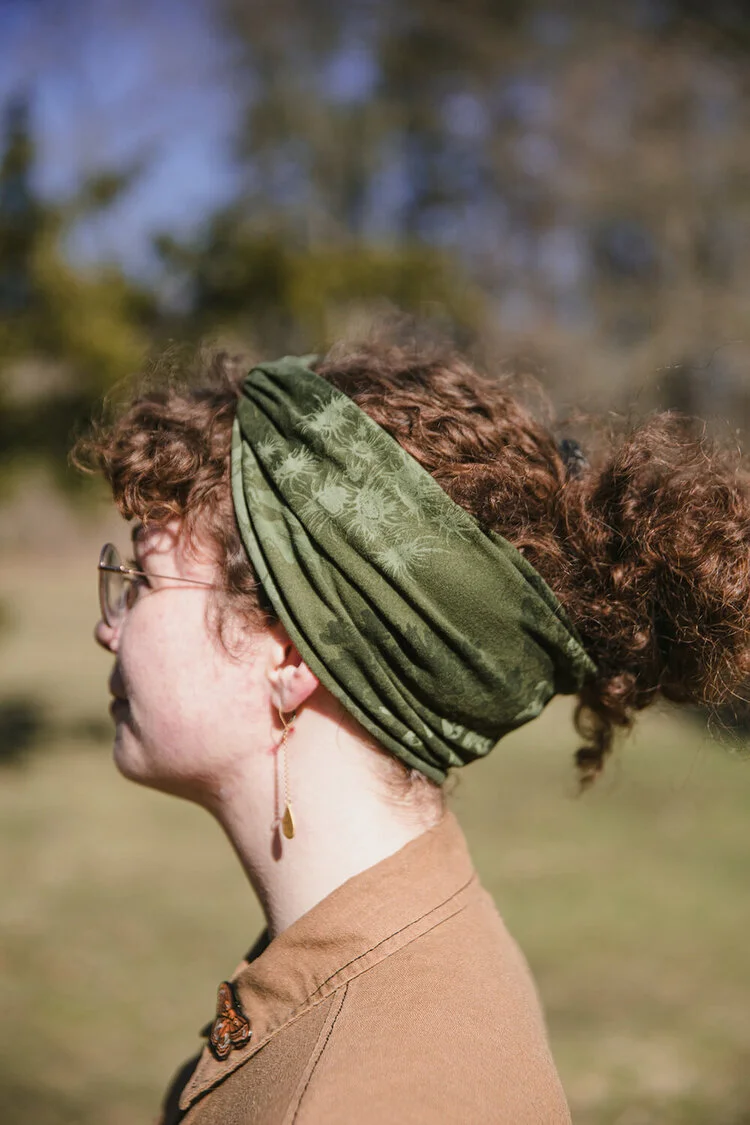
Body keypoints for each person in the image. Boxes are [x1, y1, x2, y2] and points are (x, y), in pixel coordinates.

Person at [79, 340, 750, 1124]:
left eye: (141, 579)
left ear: (291, 649)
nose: (107, 627)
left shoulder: (381, 1095)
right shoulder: (381, 952)